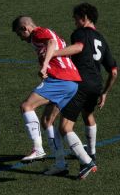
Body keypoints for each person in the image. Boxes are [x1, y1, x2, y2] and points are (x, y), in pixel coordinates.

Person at [44, 2, 118, 179]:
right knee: (88, 114)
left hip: (80, 84)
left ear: (84, 19)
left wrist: (53, 53)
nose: (75, 23)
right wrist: (105, 92)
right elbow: (114, 72)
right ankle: (91, 152)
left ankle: (86, 162)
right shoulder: (102, 39)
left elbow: (79, 47)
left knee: (64, 127)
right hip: (96, 85)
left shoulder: (80, 33)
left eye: (76, 19)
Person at [11, 16, 82, 163]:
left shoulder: (38, 33)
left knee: (27, 106)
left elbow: (51, 43)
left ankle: (38, 148)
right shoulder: (51, 34)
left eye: (19, 34)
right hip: (73, 82)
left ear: (25, 28)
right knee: (47, 121)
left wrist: (45, 66)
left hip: (60, 79)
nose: (20, 38)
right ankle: (60, 163)